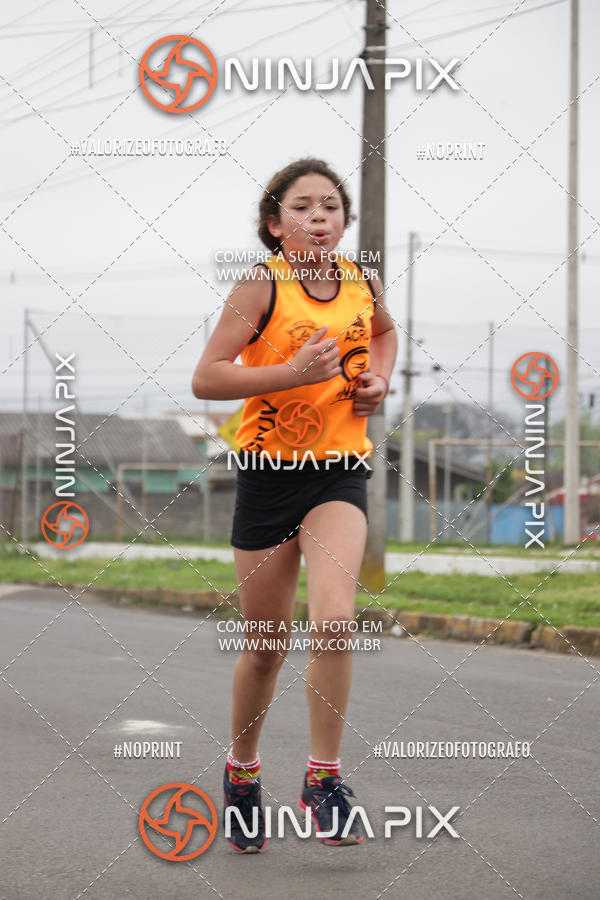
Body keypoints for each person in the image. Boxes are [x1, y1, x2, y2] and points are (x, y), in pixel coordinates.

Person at [191, 157, 397, 853]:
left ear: (344, 222)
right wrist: (290, 373)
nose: (319, 217)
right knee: (265, 648)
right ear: (275, 226)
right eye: (302, 208)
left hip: (338, 473)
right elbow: (207, 376)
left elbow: (386, 336)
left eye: (330, 207)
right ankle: (242, 774)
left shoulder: (361, 284)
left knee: (336, 619)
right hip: (267, 476)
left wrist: (377, 383)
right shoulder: (259, 288)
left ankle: (323, 779)